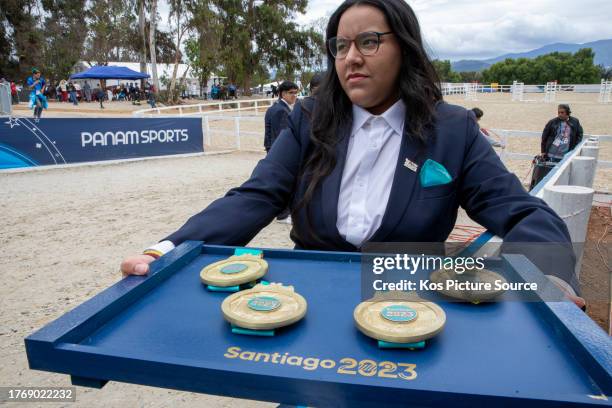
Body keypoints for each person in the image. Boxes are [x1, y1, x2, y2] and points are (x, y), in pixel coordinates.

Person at [121, 0, 584, 308]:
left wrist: (545, 278)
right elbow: (257, 196)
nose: (351, 58)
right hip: (309, 305)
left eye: (368, 42)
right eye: (341, 46)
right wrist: (169, 248)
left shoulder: (453, 129)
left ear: (404, 48)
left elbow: (524, 214)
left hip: (412, 311)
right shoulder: (308, 119)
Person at [264, 80, 298, 153]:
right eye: (291, 92)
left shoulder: (273, 107)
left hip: (272, 150)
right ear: (283, 94)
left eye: (296, 92)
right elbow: (282, 137)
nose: (294, 95)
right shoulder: (282, 111)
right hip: (279, 151)